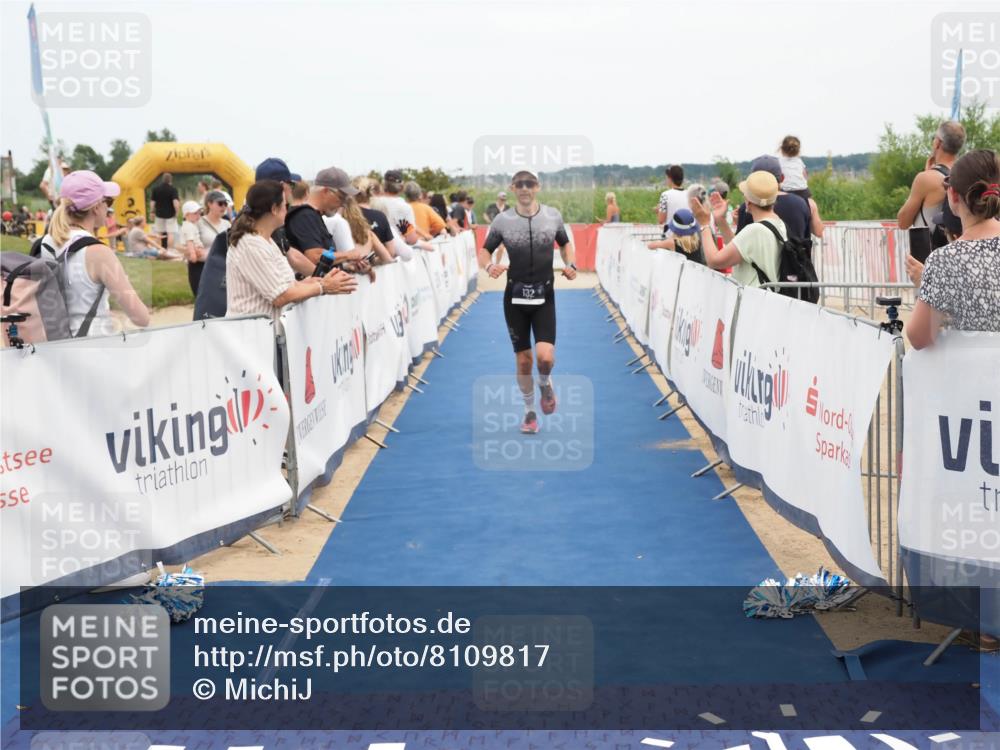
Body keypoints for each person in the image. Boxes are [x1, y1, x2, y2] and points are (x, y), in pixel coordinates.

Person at [479, 169, 577, 435]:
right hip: (515, 299)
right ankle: (529, 412)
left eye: (529, 184)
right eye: (520, 184)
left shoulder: (552, 216)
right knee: (524, 361)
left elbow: (565, 244)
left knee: (545, 358)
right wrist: (489, 267)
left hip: (545, 297)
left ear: (537, 187)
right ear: (512, 188)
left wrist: (571, 264)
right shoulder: (503, 221)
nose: (525, 188)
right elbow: (485, 250)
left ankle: (545, 383)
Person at [905, 149, 1000, 348]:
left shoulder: (945, 260)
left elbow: (919, 337)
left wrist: (928, 286)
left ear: (953, 195)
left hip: (976, 374)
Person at [226, 180, 357, 321]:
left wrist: (318, 281)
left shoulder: (266, 241)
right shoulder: (252, 245)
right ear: (274, 209)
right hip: (250, 336)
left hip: (261, 334)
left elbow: (288, 286)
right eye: (285, 205)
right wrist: (323, 286)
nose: (287, 209)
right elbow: (280, 296)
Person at [42, 170, 149, 336]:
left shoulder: (46, 242)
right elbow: (140, 318)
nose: (109, 207)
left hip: (56, 343)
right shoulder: (98, 252)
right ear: (97, 207)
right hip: (93, 346)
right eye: (108, 201)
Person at [692, 170, 785, 288]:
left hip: (752, 301)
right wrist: (720, 219)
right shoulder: (777, 223)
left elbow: (714, 261)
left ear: (749, 202)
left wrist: (704, 224)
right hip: (767, 300)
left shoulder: (755, 230)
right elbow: (740, 247)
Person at [897, 121, 967, 251]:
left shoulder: (926, 179)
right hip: (959, 254)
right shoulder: (967, 173)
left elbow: (903, 222)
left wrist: (925, 176)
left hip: (929, 257)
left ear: (938, 143)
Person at [284, 166, 367, 265]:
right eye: (341, 197)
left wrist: (347, 266)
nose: (343, 204)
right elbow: (315, 257)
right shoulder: (305, 216)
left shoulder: (312, 215)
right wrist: (348, 255)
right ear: (326, 191)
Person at [732, 155, 822, 240]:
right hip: (798, 256)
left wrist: (737, 221)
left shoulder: (749, 205)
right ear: (782, 178)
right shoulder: (803, 203)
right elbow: (818, 232)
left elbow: (740, 247)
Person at [353, 176, 403, 260]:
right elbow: (391, 251)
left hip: (352, 265)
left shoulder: (346, 215)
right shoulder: (380, 215)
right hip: (379, 266)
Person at [179, 200, 208, 294]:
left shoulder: (190, 225)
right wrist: (192, 254)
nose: (198, 215)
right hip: (196, 251)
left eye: (199, 213)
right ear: (186, 215)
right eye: (195, 213)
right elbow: (190, 241)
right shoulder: (189, 227)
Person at [149, 173, 180, 249]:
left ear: (163, 179)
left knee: (159, 233)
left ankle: (159, 249)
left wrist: (152, 212)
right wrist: (177, 212)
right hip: (170, 215)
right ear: (170, 180)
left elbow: (153, 202)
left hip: (159, 214)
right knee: (170, 233)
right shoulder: (173, 189)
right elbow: (175, 202)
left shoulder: (156, 189)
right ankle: (170, 250)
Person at [778, 135, 811, 200]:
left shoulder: (779, 162)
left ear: (781, 149)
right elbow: (805, 176)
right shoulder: (799, 161)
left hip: (785, 191)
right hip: (802, 191)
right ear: (798, 150)